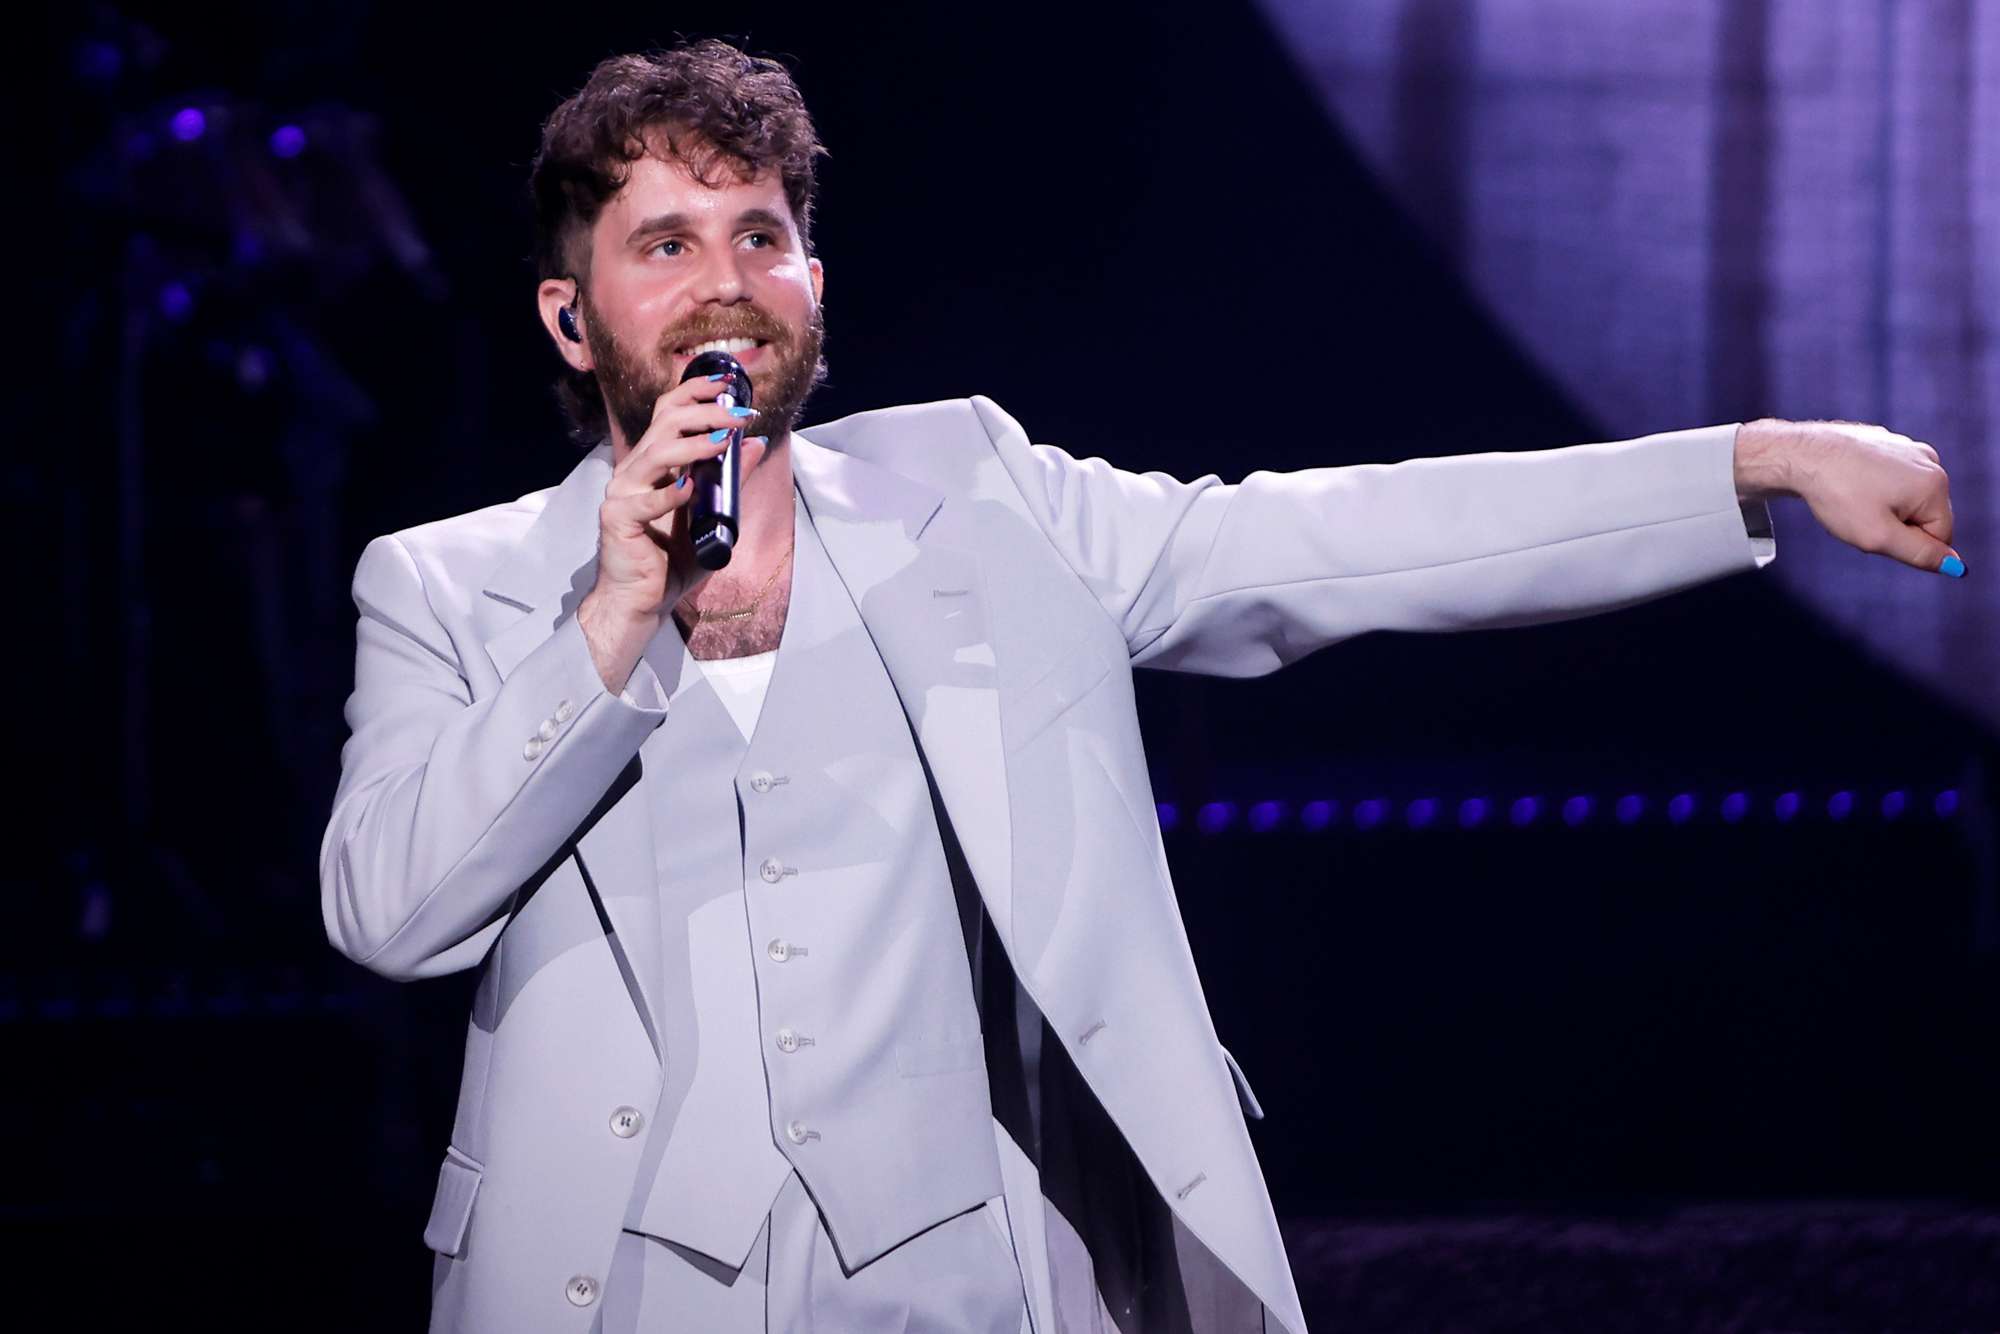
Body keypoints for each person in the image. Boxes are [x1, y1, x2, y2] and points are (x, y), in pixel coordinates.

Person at [318, 37, 1964, 1334]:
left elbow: (1341, 540)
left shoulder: (983, 498)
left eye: (766, 233)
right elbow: (389, 910)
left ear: (817, 285)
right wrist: (613, 613)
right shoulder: (449, 586)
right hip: (626, 1286)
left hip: (963, 1273)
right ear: (569, 310)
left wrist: (1749, 463)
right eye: (665, 242)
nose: (729, 278)